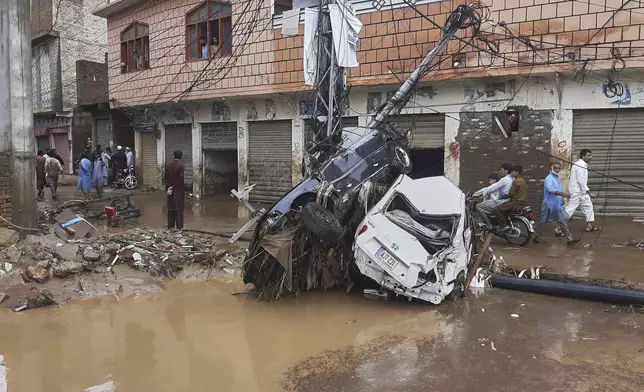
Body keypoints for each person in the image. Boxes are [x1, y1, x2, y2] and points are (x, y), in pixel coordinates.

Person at [533, 163, 579, 246]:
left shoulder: (557, 178)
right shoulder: (548, 178)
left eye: (558, 168)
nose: (557, 170)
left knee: (562, 221)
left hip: (556, 205)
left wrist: (561, 200)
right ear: (551, 168)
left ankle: (569, 238)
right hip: (548, 204)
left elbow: (558, 189)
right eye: (555, 168)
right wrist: (564, 194)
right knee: (543, 222)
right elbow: (551, 190)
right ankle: (535, 236)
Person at [565, 149, 598, 232]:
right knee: (570, 210)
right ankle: (558, 228)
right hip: (577, 192)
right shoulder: (579, 165)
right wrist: (589, 192)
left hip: (582, 192)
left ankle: (589, 226)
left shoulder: (582, 165)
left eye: (590, 155)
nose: (591, 157)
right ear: (583, 156)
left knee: (588, 207)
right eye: (588, 155)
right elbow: (580, 180)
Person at [476, 163, 514, 227]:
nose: (500, 171)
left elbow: (492, 188)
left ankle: (488, 226)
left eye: (501, 170)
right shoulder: (513, 179)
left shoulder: (505, 180)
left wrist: (480, 193)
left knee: (479, 206)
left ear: (506, 171)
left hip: (502, 202)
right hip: (509, 201)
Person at [496, 165, 528, 229]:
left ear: (518, 172)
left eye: (513, 171)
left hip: (515, 203)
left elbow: (511, 193)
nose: (511, 173)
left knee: (497, 209)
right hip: (522, 202)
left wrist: (502, 196)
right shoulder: (523, 181)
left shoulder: (516, 181)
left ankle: (504, 226)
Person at [165, 150, 185, 230]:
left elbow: (165, 178)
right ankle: (179, 227)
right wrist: (173, 186)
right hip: (178, 190)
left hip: (169, 190)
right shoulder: (181, 166)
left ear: (174, 156)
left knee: (170, 208)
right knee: (178, 209)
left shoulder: (168, 165)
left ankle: (170, 226)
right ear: (181, 156)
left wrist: (169, 187)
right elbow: (180, 179)